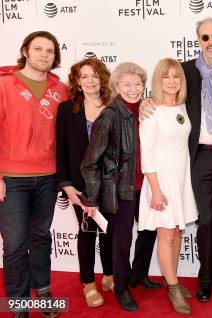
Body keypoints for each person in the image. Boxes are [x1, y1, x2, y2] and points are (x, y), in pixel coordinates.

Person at [140, 17, 212, 301]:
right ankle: (205, 277)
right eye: (205, 37)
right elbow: (165, 96)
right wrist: (145, 102)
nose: (211, 42)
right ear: (198, 40)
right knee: (206, 220)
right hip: (198, 159)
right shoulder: (185, 72)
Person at [0, 30, 67, 318]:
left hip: (49, 176)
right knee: (14, 244)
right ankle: (18, 302)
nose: (44, 55)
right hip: (12, 178)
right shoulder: (3, 85)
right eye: (38, 49)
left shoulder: (61, 89)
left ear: (55, 56)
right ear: (26, 51)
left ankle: (43, 292)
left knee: (41, 237)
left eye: (50, 51)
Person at [80, 62, 147, 312]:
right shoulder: (109, 116)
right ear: (116, 86)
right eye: (127, 84)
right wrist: (92, 197)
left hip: (147, 186)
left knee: (149, 232)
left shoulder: (146, 109)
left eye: (138, 84)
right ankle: (120, 287)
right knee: (122, 241)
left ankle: (137, 275)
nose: (133, 89)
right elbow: (89, 163)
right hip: (121, 190)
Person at [138, 58, 199, 314]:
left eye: (176, 76)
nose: (172, 81)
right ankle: (174, 288)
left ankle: (169, 279)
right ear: (158, 80)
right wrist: (155, 189)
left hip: (182, 178)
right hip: (161, 180)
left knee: (177, 232)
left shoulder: (184, 107)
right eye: (166, 77)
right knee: (165, 235)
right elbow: (147, 153)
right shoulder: (151, 111)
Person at [55, 58, 113, 308]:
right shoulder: (68, 109)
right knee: (88, 231)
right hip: (81, 186)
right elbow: (61, 149)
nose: (90, 81)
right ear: (77, 81)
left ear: (102, 79)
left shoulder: (114, 106)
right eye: (84, 76)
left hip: (110, 183)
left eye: (95, 76)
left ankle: (110, 274)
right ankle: (88, 283)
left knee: (109, 232)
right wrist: (66, 183)